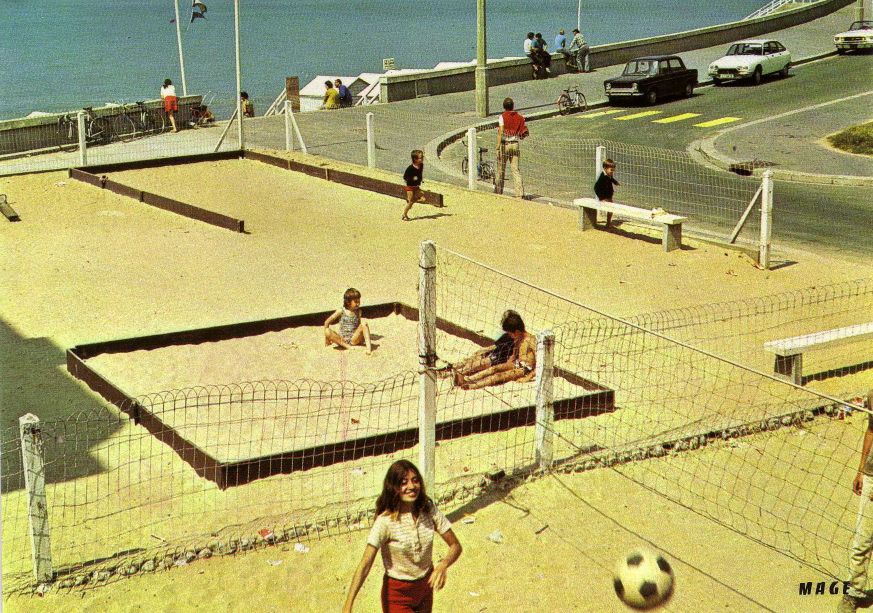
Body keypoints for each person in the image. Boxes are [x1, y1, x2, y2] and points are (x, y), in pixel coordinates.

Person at [343, 460, 462, 613]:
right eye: (404, 483)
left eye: (415, 480)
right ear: (393, 487)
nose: (411, 486)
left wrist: (443, 565)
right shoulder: (385, 521)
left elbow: (455, 545)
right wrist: (348, 604)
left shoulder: (428, 510)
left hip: (425, 588)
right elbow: (366, 563)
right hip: (398, 595)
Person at [840, 391, 873, 613]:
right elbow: (871, 430)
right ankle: (853, 592)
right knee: (862, 540)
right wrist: (861, 471)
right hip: (872, 476)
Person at [453, 310, 536, 390]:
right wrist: (505, 366)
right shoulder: (518, 339)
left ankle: (473, 386)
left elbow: (540, 364)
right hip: (516, 363)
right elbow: (513, 356)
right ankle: (469, 379)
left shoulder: (531, 340)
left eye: (510, 334)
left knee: (498, 376)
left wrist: (529, 377)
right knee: (494, 369)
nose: (510, 336)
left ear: (517, 332)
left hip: (525, 369)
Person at [494, 97, 528, 199]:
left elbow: (501, 132)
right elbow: (523, 133)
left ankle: (498, 192)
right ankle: (520, 194)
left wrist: (497, 147)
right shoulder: (520, 117)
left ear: (504, 107)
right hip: (515, 144)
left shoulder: (502, 117)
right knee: (515, 170)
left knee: (500, 170)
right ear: (513, 106)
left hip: (505, 144)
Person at [324, 288, 372, 354]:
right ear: (348, 302)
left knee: (364, 324)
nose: (358, 304)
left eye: (359, 301)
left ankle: (369, 349)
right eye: (356, 302)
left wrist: (361, 336)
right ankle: (347, 346)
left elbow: (359, 326)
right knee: (327, 331)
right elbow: (327, 322)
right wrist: (327, 340)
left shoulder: (359, 312)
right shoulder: (341, 311)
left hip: (354, 339)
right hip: (342, 340)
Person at [401, 149, 441, 221]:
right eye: (421, 158)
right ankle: (404, 214)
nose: (422, 159)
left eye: (422, 157)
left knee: (423, 198)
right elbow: (405, 177)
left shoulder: (421, 165)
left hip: (416, 187)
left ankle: (411, 200)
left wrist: (420, 179)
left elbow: (419, 173)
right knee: (410, 203)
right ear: (415, 159)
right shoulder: (410, 168)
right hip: (410, 187)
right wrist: (413, 179)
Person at [594, 158, 620, 227]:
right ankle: (595, 221)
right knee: (607, 208)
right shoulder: (602, 177)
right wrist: (601, 198)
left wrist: (615, 182)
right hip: (604, 197)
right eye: (611, 170)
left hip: (609, 195)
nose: (612, 172)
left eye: (613, 170)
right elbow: (596, 188)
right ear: (605, 168)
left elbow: (611, 179)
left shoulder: (609, 174)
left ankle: (608, 223)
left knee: (611, 209)